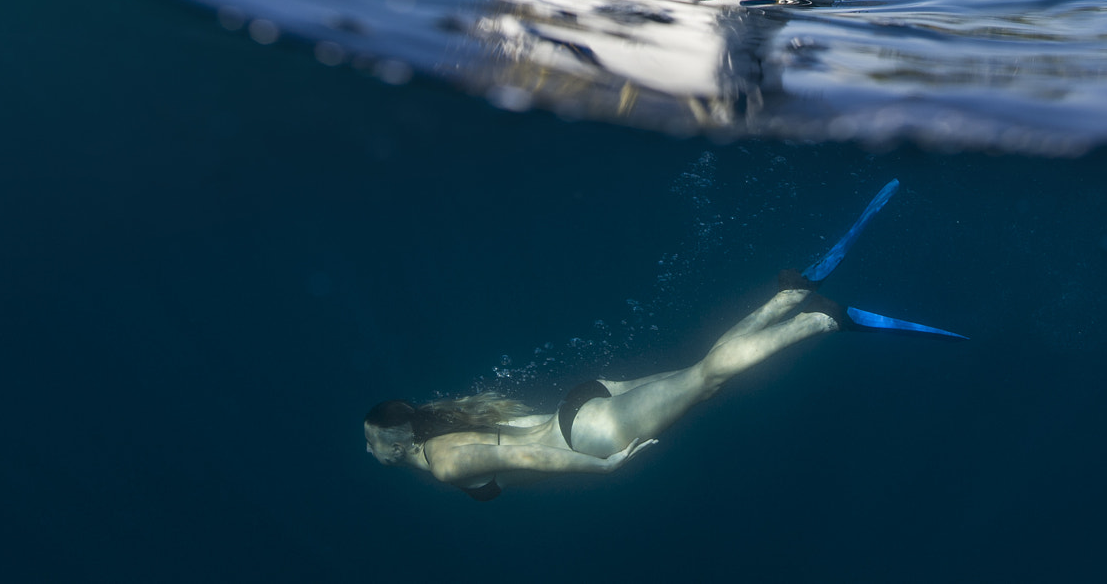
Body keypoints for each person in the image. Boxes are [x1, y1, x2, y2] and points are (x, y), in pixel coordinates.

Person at [362, 180, 963, 500]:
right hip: (586, 405)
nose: (369, 453)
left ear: (397, 439)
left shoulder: (443, 463)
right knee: (701, 374)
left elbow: (522, 456)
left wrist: (603, 469)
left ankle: (823, 319)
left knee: (708, 378)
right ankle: (788, 295)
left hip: (591, 435)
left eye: (373, 443)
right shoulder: (437, 426)